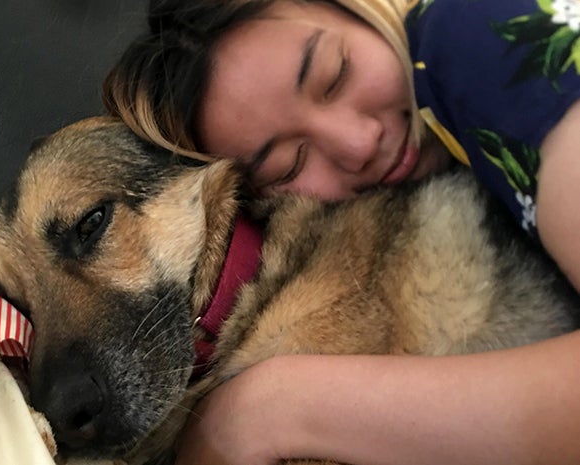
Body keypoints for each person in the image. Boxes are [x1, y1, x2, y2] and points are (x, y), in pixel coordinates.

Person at [103, 0, 580, 463]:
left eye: (336, 74)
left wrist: (268, 409)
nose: (357, 144)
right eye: (290, 164)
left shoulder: (469, 29)